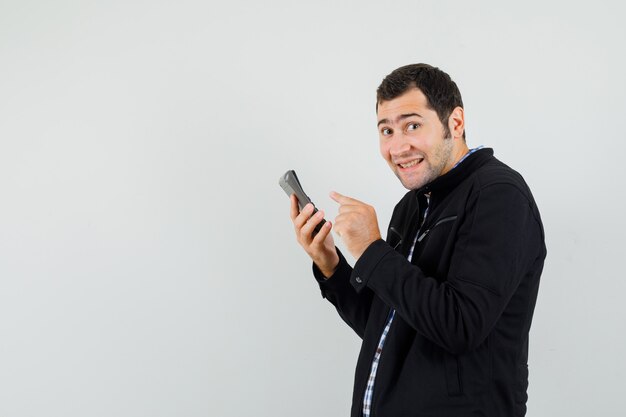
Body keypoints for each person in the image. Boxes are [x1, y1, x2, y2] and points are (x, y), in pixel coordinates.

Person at [288, 63, 546, 417]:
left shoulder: (499, 195)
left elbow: (460, 325)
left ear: (454, 123)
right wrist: (331, 266)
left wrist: (371, 250)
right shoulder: (411, 205)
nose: (398, 146)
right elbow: (388, 326)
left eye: (412, 125)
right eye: (386, 130)